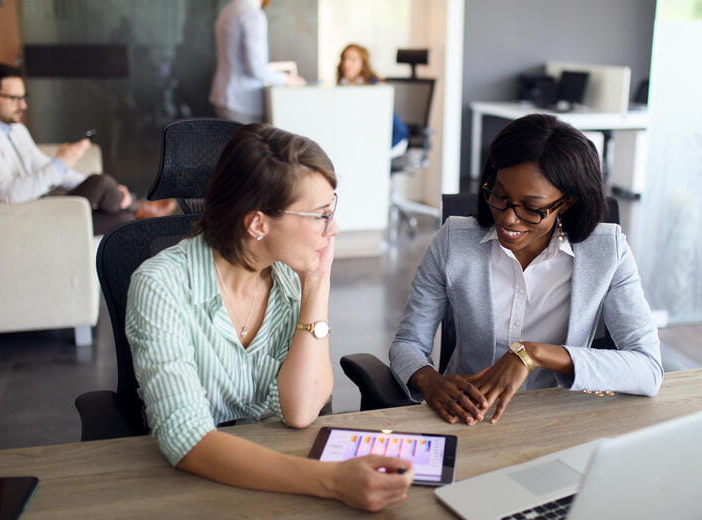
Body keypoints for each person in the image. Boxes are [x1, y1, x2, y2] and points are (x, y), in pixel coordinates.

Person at [125, 124, 413, 511]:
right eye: (321, 216)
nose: (335, 229)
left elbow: (300, 411)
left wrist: (317, 285)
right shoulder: (161, 287)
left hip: (281, 472)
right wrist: (331, 481)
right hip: (192, 486)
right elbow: (187, 439)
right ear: (258, 223)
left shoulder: (289, 280)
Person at [389, 114, 663, 426]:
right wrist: (430, 381)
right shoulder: (454, 240)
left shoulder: (607, 251)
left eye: (532, 209)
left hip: (561, 421)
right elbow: (408, 343)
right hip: (469, 417)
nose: (508, 219)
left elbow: (648, 368)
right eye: (500, 195)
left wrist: (532, 353)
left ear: (567, 203)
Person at [0, 63, 174, 235]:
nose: (23, 106)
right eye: (14, 99)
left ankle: (134, 207)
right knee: (112, 202)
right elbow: (9, 194)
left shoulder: (14, 129)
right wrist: (61, 163)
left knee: (111, 199)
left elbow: (40, 165)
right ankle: (138, 208)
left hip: (41, 204)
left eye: (24, 98)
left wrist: (112, 189)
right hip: (25, 219)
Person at [209, 0, 305, 123]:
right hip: (242, 101)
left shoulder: (229, 9)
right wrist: (286, 79)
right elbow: (256, 68)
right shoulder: (252, 14)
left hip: (224, 95)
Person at [336, 43, 408, 152]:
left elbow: (394, 127)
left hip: (393, 141)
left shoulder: (375, 88)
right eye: (344, 59)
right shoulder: (344, 86)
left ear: (363, 63)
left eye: (353, 59)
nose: (347, 64)